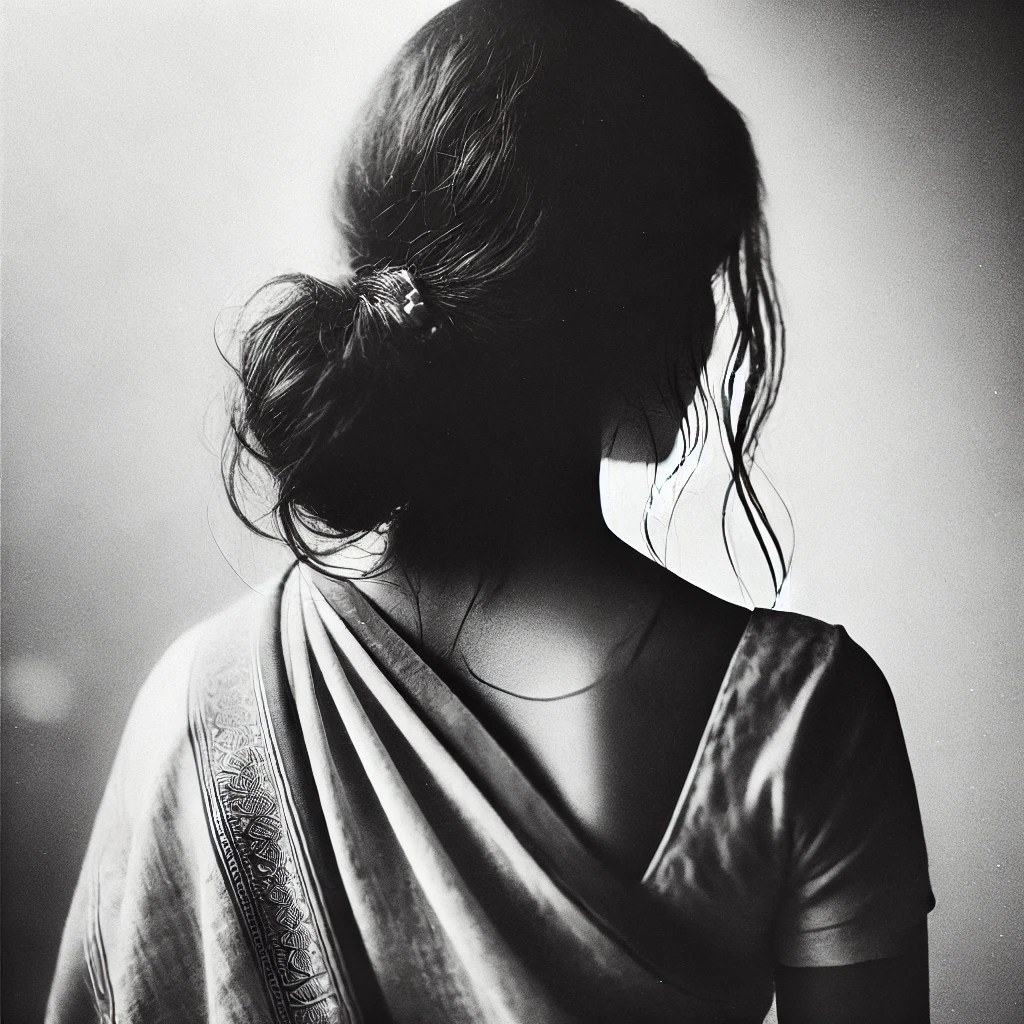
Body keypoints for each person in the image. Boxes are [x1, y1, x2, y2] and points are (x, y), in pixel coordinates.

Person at [47, 2, 934, 1022]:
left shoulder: (207, 702)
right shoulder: (805, 717)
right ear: (622, 290)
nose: (713, 318)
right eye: (696, 269)